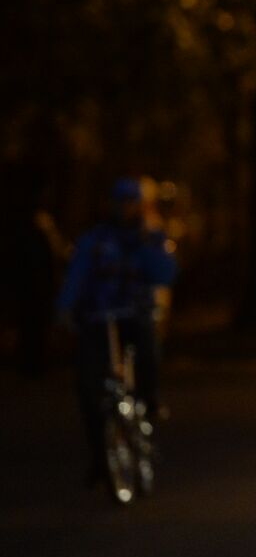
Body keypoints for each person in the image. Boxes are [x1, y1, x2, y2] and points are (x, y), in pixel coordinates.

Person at [56, 177, 177, 487]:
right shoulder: (96, 240)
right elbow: (76, 276)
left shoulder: (149, 237)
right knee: (88, 386)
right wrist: (66, 308)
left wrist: (146, 245)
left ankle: (150, 400)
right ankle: (100, 454)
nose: (126, 208)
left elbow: (165, 273)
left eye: (131, 202)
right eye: (120, 202)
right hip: (98, 318)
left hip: (134, 315)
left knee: (147, 349)